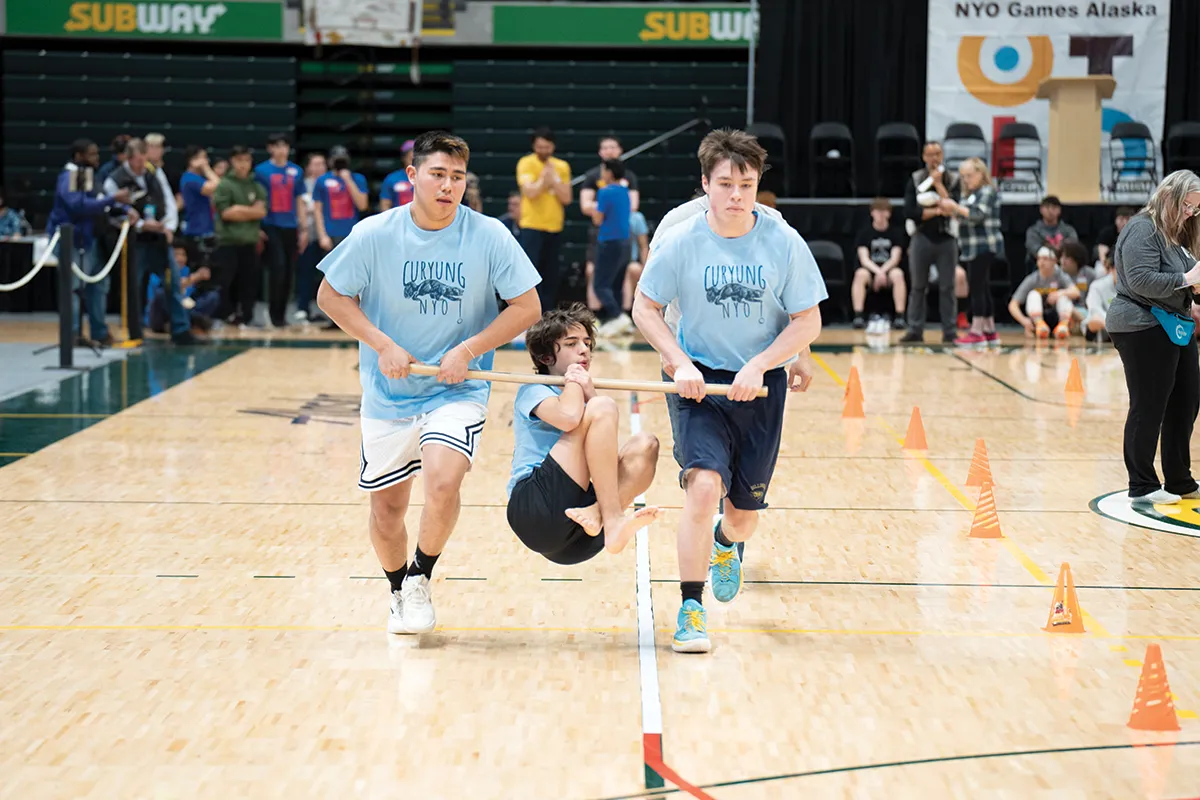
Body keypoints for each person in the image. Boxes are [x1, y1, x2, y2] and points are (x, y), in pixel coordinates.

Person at [315, 131, 542, 635]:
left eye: (457, 177)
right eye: (438, 174)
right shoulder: (375, 233)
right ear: (412, 176)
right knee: (387, 509)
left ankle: (421, 576)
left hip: (456, 389)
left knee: (443, 479)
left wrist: (469, 349)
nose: (448, 186)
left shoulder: (490, 236)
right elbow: (331, 297)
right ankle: (398, 587)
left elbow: (527, 308)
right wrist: (382, 345)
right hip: (389, 393)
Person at [632, 129, 827, 654]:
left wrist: (771, 362)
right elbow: (645, 308)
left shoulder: (782, 240)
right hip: (697, 383)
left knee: (742, 517)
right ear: (705, 184)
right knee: (702, 487)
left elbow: (807, 317)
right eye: (725, 184)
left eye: (747, 183)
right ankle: (690, 609)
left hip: (759, 389)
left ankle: (726, 542)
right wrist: (676, 362)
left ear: (758, 183)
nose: (736, 195)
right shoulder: (679, 235)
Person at [507, 305, 660, 563]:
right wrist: (577, 382)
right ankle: (612, 520)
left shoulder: (587, 400)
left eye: (587, 343)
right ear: (546, 357)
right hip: (533, 510)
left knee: (646, 445)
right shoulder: (534, 389)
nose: (584, 349)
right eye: (571, 343)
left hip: (577, 538)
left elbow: (604, 462)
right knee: (602, 407)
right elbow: (568, 418)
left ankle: (600, 513)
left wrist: (588, 392)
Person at [1106, 170, 1200, 506]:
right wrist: (1186, 278)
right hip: (1140, 322)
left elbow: (1184, 280)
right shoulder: (1142, 228)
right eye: (1187, 206)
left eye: (1195, 209)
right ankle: (1142, 484)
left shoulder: (1176, 234)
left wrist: (1194, 286)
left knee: (1187, 399)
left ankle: (1178, 478)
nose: (1190, 214)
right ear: (1169, 196)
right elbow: (1141, 279)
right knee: (1149, 404)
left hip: (1174, 322)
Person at [104, 138, 195, 345]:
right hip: (134, 240)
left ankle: (181, 330)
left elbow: (169, 201)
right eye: (136, 160)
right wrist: (141, 225)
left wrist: (169, 227)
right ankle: (135, 332)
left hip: (159, 237)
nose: (140, 165)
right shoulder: (114, 180)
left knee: (172, 282)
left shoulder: (154, 172)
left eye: (143, 159)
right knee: (134, 287)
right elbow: (111, 213)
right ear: (128, 158)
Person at [47, 138, 133, 347]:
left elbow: (97, 200)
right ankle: (72, 335)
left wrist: (124, 209)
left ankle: (99, 332)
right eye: (92, 154)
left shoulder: (86, 175)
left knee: (98, 285)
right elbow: (79, 206)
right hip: (71, 240)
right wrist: (114, 199)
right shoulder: (69, 175)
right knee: (74, 288)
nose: (97, 158)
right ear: (79, 156)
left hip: (89, 239)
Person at [900, 141, 961, 344]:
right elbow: (910, 211)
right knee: (918, 286)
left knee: (947, 287)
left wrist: (938, 185)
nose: (934, 158)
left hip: (947, 240)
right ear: (924, 157)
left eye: (937, 154)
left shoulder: (953, 179)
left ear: (942, 156)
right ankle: (915, 329)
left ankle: (949, 331)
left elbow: (953, 207)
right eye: (930, 154)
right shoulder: (915, 179)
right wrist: (936, 211)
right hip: (921, 238)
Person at [941, 157, 1004, 347]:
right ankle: (989, 330)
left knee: (976, 288)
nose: (966, 180)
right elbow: (962, 215)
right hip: (971, 247)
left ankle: (976, 331)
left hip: (984, 245)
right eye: (963, 177)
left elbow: (977, 215)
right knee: (983, 287)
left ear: (981, 174)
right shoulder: (969, 195)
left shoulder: (987, 191)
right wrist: (951, 210)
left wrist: (955, 208)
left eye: (969, 175)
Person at [254, 133, 307, 329]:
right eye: (276, 146)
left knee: (288, 272)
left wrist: (303, 229)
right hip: (270, 224)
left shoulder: (296, 171)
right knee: (277, 268)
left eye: (284, 146)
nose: (281, 150)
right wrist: (258, 226)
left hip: (290, 226)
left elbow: (299, 200)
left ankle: (282, 314)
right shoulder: (261, 171)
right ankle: (272, 313)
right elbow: (257, 199)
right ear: (270, 148)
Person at [516, 127, 572, 311]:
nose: (543, 151)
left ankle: (547, 313)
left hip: (554, 226)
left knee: (551, 273)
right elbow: (530, 192)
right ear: (534, 146)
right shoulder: (526, 163)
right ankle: (530, 312)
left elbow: (567, 198)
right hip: (531, 225)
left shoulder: (562, 166)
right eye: (539, 147)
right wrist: (543, 179)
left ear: (553, 146)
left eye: (547, 147)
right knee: (531, 271)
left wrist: (554, 180)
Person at [212, 145, 268, 326]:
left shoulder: (256, 185)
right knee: (228, 281)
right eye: (239, 160)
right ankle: (227, 315)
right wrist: (248, 211)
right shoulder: (225, 184)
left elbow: (261, 212)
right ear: (232, 162)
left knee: (249, 282)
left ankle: (247, 316)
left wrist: (238, 209)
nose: (243, 165)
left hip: (250, 242)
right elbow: (226, 213)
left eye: (247, 160)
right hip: (229, 241)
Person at [588, 159, 633, 334]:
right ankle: (623, 323)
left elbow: (598, 218)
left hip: (609, 241)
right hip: (625, 242)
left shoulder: (604, 192)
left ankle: (618, 316)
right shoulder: (625, 191)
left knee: (600, 285)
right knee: (616, 283)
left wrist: (594, 211)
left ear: (609, 172)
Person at [851, 197, 907, 331]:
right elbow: (864, 259)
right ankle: (858, 315)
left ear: (889, 213)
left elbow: (895, 258)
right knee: (860, 274)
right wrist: (877, 272)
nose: (880, 215)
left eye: (884, 211)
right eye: (877, 211)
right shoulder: (864, 233)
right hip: (871, 269)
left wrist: (883, 272)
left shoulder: (896, 233)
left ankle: (900, 316)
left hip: (889, 269)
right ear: (872, 213)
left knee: (898, 274)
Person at [1007, 246, 1079, 340]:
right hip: (1038, 318)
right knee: (1033, 294)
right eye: (1039, 259)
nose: (1041, 262)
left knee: (1064, 297)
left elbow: (1076, 292)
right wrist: (1024, 321)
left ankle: (1063, 326)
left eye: (1045, 259)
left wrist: (1060, 293)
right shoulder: (1032, 279)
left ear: (1054, 261)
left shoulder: (1060, 275)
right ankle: (1040, 325)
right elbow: (1013, 304)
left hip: (1057, 316)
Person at [146, 245, 218, 334]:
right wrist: (193, 279)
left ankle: (192, 321)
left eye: (183, 255)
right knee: (162, 295)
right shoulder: (159, 272)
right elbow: (168, 289)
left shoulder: (187, 271)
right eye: (176, 255)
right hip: (161, 314)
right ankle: (189, 322)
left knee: (212, 296)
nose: (180, 258)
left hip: (185, 308)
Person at [313, 146, 369, 254]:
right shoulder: (322, 180)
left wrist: (348, 180)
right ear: (330, 161)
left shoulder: (358, 179)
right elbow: (317, 210)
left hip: (352, 234)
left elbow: (363, 206)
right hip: (330, 234)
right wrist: (322, 236)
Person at [177, 145, 219, 269]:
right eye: (203, 158)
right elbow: (218, 186)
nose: (207, 161)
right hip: (197, 231)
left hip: (206, 229)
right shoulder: (190, 179)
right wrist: (207, 169)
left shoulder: (198, 179)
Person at [1024, 195, 1078, 264]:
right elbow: (1035, 250)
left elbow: (1072, 247)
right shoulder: (1033, 231)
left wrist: (1048, 245)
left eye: (1054, 207)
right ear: (1041, 210)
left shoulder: (1069, 230)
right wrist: (1054, 250)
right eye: (1047, 207)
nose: (1050, 211)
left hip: (1063, 266)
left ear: (1059, 210)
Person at [379, 139, 415, 211]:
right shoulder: (392, 179)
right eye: (411, 159)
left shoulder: (428, 178)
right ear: (403, 158)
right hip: (398, 220)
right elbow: (385, 205)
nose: (415, 162)